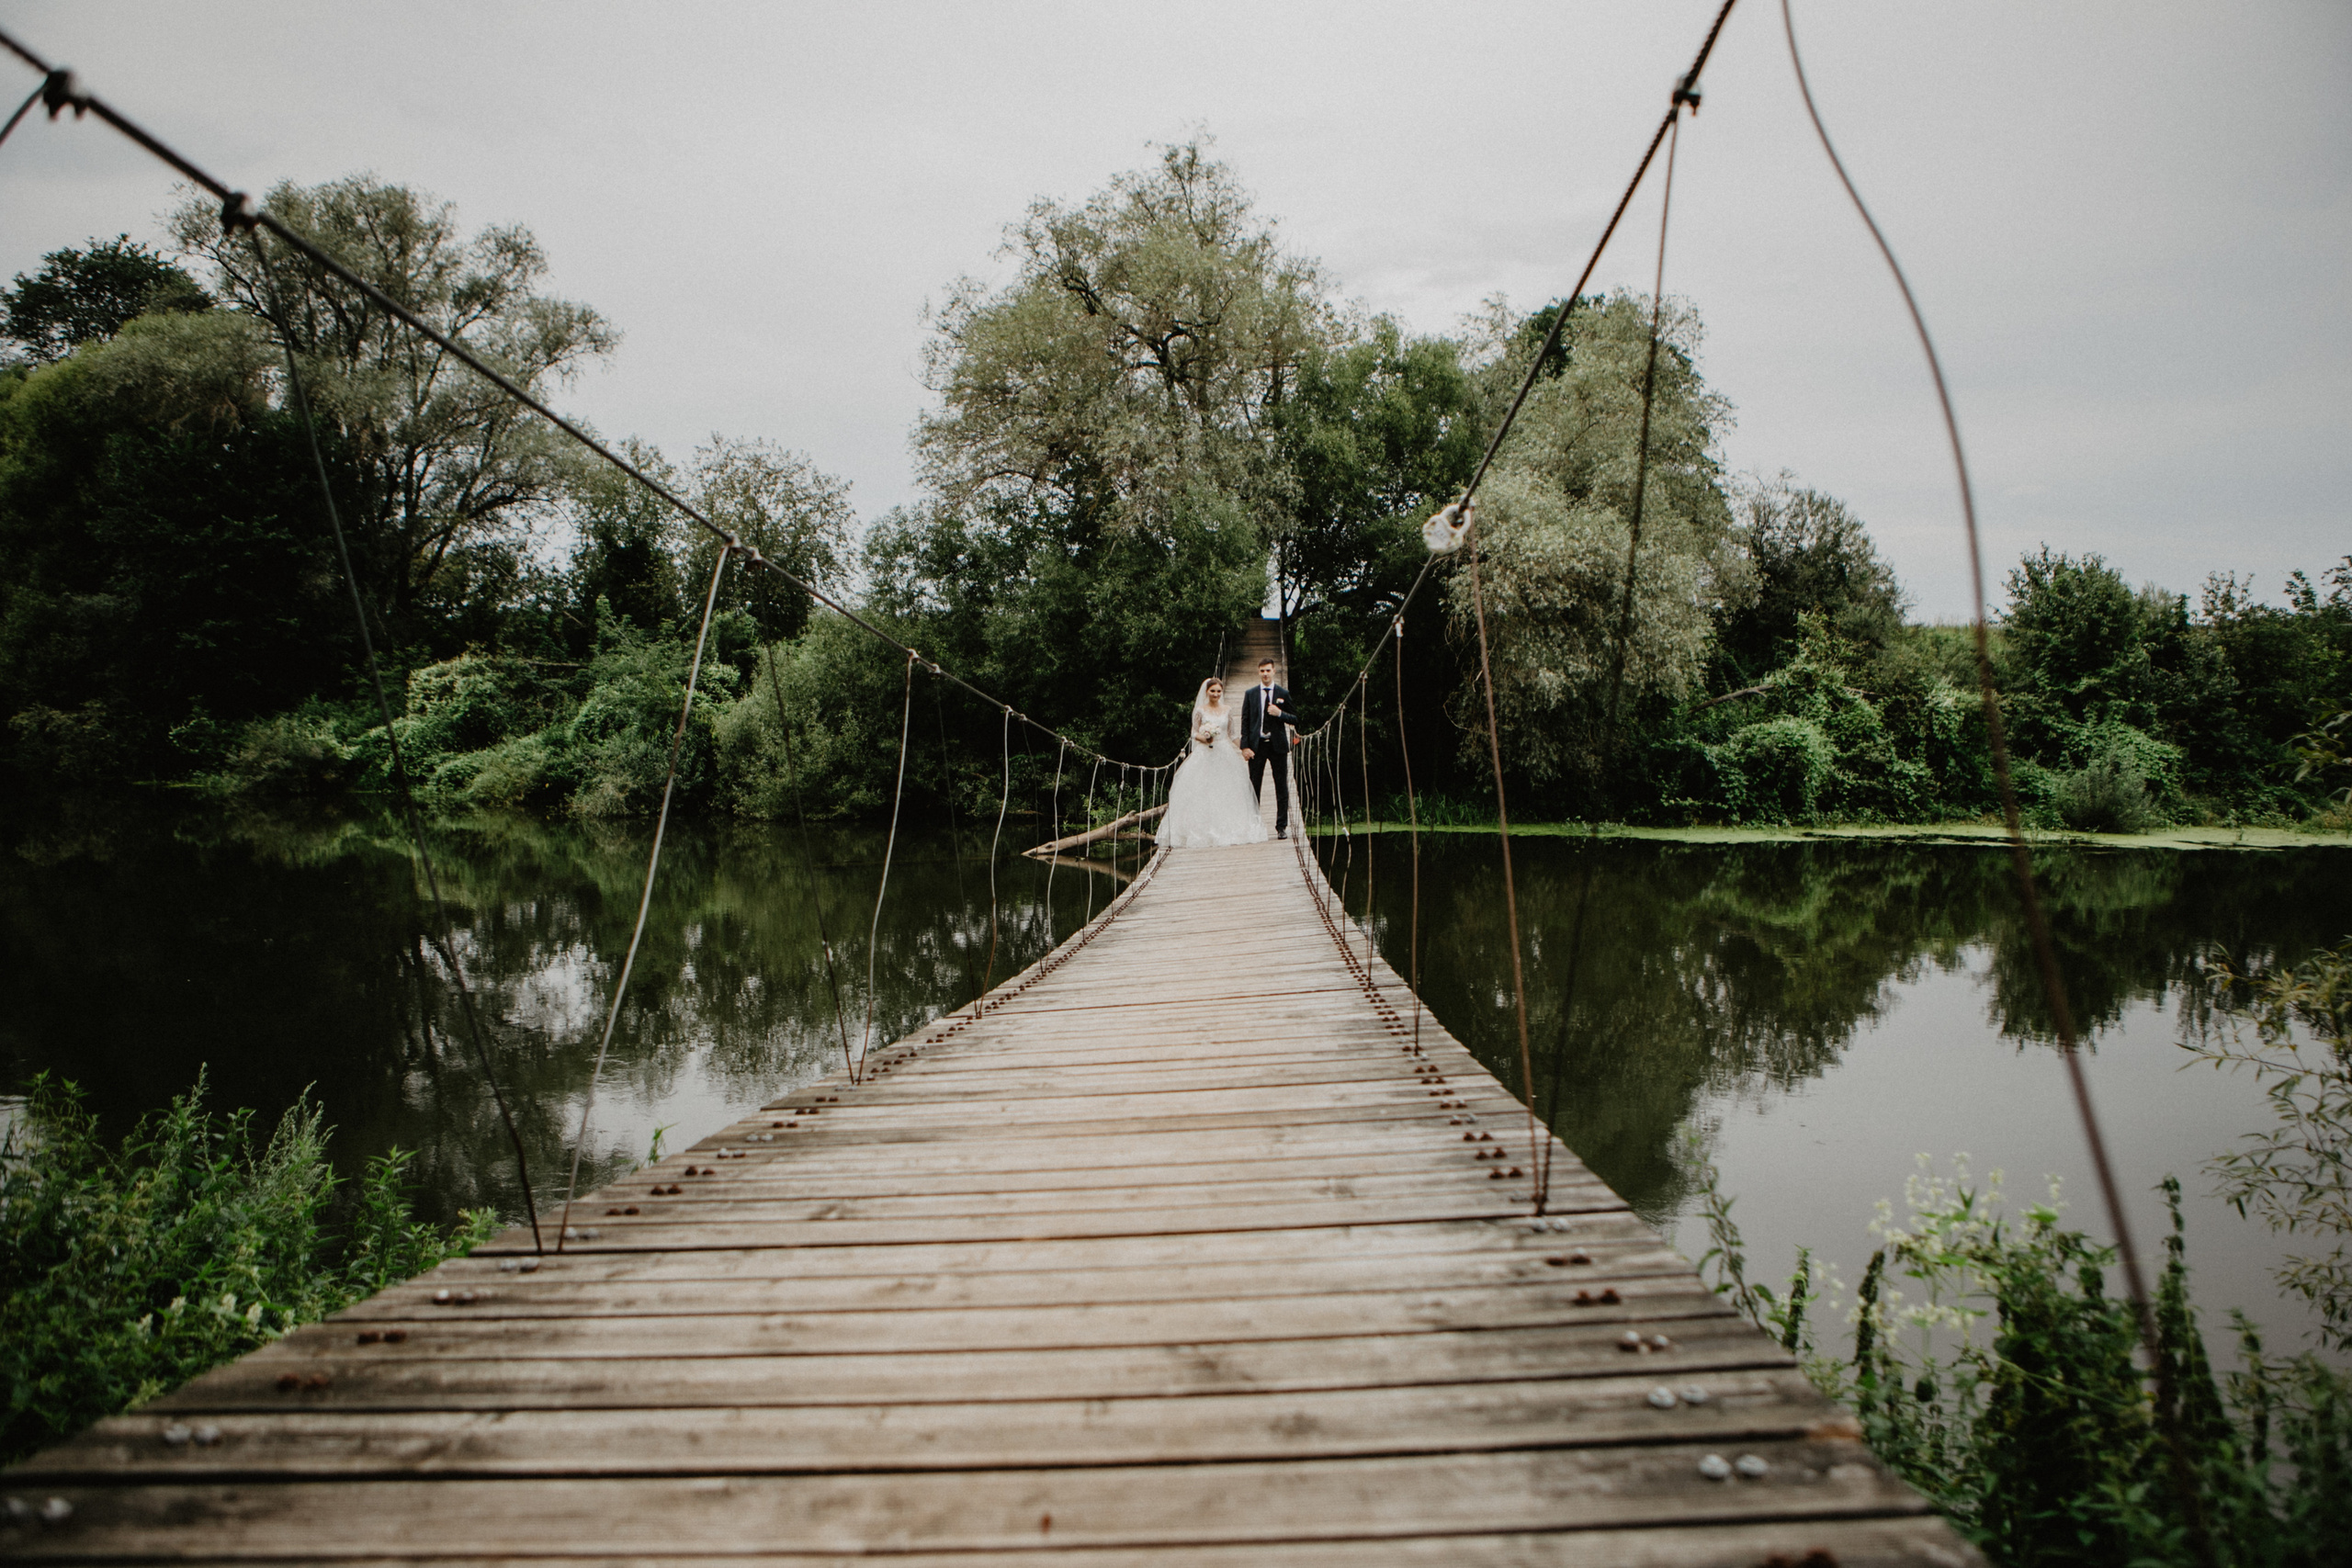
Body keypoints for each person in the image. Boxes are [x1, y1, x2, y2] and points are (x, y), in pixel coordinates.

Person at [1158, 677, 1269, 849]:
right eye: (1213, 691)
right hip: (1205, 753)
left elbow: (1231, 735)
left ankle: (1227, 830)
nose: (1216, 694)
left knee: (1226, 791)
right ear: (1207, 692)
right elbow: (1193, 733)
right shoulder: (1200, 711)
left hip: (1224, 753)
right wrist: (1205, 737)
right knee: (1202, 790)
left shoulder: (1227, 710)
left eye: (1219, 691)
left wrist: (1244, 749)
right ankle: (1202, 831)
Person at [1238, 657, 1299, 839]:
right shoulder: (1250, 694)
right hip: (1257, 746)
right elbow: (1245, 721)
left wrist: (1280, 713)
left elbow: (1295, 718)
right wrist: (1244, 747)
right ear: (1258, 672)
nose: (1265, 674)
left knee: (1281, 786)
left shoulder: (1283, 693)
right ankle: (1254, 826)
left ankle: (1281, 827)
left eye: (1268, 670)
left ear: (1274, 672)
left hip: (1278, 745)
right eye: (1262, 671)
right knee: (1254, 786)